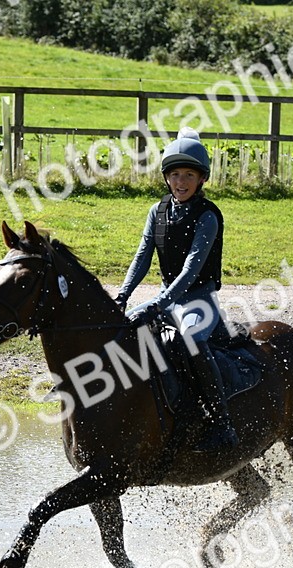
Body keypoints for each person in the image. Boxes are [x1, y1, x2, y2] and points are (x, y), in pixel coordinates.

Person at [115, 127, 238, 452]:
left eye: (188, 175)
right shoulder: (157, 212)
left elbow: (191, 270)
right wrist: (123, 296)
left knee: (191, 339)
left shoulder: (208, 216)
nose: (181, 182)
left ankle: (221, 423)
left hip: (200, 301)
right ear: (166, 178)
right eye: (175, 175)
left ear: (201, 180)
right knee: (124, 332)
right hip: (166, 299)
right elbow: (142, 257)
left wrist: (158, 303)